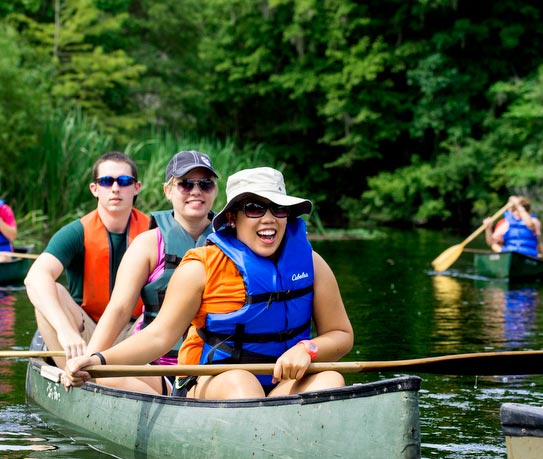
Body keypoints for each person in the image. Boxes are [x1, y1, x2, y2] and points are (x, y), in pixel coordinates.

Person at [64, 167, 354, 400]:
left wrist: (308, 349)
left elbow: (341, 334)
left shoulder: (312, 263)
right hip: (216, 384)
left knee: (331, 380)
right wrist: (99, 361)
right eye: (254, 208)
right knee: (242, 382)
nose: (269, 219)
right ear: (232, 218)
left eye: (278, 209)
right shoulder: (200, 268)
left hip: (282, 386)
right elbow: (158, 338)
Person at [82, 150, 219, 394]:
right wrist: (90, 360)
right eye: (185, 184)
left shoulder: (234, 242)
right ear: (168, 191)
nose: (196, 191)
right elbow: (120, 309)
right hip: (157, 368)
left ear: (215, 191)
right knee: (105, 377)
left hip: (213, 368)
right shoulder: (147, 244)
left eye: (205, 184)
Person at [25, 151, 150, 369]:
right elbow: (34, 277)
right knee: (49, 292)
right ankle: (72, 372)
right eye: (106, 181)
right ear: (95, 189)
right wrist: (65, 329)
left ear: (136, 187)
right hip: (86, 332)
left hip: (137, 332)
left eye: (124, 181)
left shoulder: (154, 231)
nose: (115, 188)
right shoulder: (76, 232)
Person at [484, 195, 543, 261]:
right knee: (495, 246)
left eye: (518, 210)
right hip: (509, 254)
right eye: (514, 210)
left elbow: (530, 225)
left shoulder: (534, 221)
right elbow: (491, 243)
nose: (517, 212)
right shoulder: (505, 223)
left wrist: (518, 205)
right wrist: (488, 229)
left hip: (528, 256)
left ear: (526, 211)